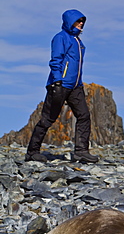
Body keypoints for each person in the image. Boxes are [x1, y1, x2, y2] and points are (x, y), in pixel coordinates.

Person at [25, 9, 98, 163]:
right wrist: (57, 81)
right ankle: (32, 152)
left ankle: (81, 151)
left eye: (82, 21)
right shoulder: (60, 38)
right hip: (60, 84)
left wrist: (78, 84)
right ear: (69, 22)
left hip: (75, 87)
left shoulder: (78, 41)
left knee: (84, 116)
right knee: (48, 119)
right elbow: (55, 60)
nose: (81, 24)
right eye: (78, 21)